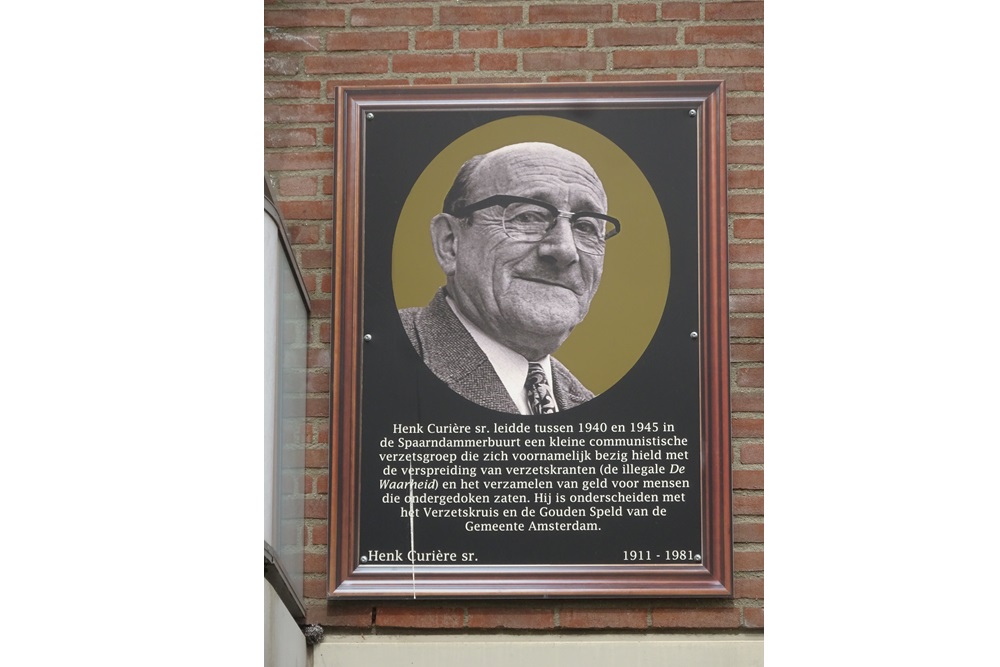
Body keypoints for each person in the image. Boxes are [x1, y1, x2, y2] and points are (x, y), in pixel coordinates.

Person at [399, 142, 620, 415]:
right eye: (529, 216)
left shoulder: (593, 410)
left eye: (585, 226)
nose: (564, 249)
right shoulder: (376, 363)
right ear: (450, 243)